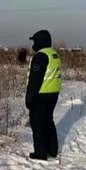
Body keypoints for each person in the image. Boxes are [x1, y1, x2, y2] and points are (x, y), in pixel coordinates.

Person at [26, 30, 62, 161]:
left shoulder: (40, 56)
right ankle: (52, 150)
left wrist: (29, 98)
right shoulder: (54, 54)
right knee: (48, 122)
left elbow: (35, 80)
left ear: (40, 41)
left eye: (35, 41)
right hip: (53, 95)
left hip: (41, 96)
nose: (33, 44)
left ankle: (40, 153)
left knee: (38, 124)